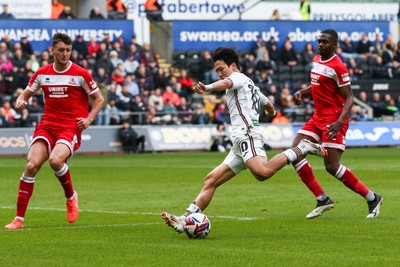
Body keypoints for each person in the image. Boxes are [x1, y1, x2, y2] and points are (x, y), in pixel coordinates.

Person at [161, 47, 327, 234]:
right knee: (211, 180)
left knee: (262, 173)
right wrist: (270, 111)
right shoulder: (252, 85)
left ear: (233, 66)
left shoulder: (238, 78)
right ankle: (184, 219)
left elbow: (226, 83)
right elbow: (269, 105)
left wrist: (207, 88)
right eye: (217, 70)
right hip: (240, 141)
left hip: (248, 135)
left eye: (221, 68)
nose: (220, 73)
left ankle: (301, 148)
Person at [4, 32, 105, 229]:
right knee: (31, 165)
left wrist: (89, 118)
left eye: (68, 50)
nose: (65, 54)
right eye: (61, 50)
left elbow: (99, 99)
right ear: (52, 51)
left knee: (55, 160)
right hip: (48, 124)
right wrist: (21, 100)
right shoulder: (42, 73)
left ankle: (70, 196)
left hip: (70, 126)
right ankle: (18, 219)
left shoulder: (81, 74)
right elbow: (26, 94)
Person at [291, 29, 383, 220]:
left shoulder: (338, 66)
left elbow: (350, 98)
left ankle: (372, 198)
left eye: (325, 42)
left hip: (333, 119)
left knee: (332, 166)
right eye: (319, 41)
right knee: (295, 152)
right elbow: (317, 86)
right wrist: (302, 92)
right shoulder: (316, 60)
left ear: (334, 45)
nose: (320, 44)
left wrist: (339, 122)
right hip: (317, 117)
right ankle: (322, 198)